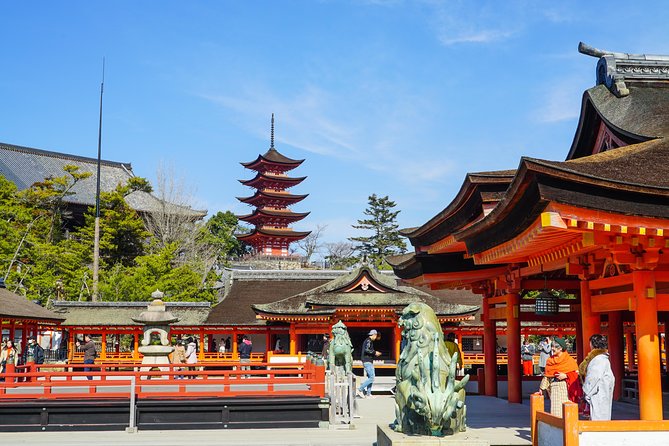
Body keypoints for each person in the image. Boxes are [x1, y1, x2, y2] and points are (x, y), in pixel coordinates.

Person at [542, 337, 581, 417]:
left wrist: (566, 375)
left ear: (560, 348)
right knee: (555, 412)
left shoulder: (569, 360)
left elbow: (576, 374)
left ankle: (567, 429)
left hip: (566, 387)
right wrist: (541, 389)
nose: (552, 349)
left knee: (567, 412)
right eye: (552, 346)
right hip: (554, 387)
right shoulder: (550, 360)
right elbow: (547, 375)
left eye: (554, 347)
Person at [580, 334, 615, 420]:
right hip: (602, 392)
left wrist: (586, 393)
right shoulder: (603, 359)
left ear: (592, 344)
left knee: (598, 416)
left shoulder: (598, 360)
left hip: (598, 393)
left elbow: (593, 378)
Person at [357, 329, 381, 398]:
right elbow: (367, 350)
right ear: (374, 335)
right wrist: (375, 352)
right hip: (367, 361)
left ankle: (368, 394)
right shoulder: (368, 341)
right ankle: (360, 389)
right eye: (375, 336)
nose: (376, 338)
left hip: (368, 360)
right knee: (372, 377)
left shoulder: (368, 341)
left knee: (370, 377)